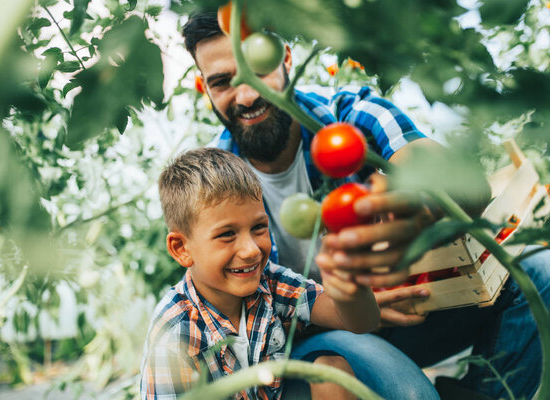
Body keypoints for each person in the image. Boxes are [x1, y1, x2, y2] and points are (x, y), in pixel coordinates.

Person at [181, 11, 550, 400]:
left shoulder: (347, 116)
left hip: (419, 306)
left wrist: (416, 202)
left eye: (258, 70)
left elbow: (468, 189)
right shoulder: (215, 182)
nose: (247, 94)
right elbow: (237, 323)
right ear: (205, 88)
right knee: (411, 395)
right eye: (222, 82)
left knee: (540, 274)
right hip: (326, 337)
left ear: (285, 58)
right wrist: (352, 312)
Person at [140, 147, 380, 400]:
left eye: (258, 227)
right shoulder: (174, 335)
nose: (252, 250)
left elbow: (361, 321)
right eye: (227, 234)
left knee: (332, 372)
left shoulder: (269, 281)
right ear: (181, 249)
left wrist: (350, 278)